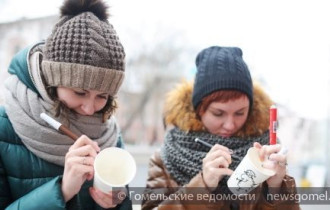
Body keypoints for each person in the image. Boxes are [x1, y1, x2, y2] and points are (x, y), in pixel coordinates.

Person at [0, 0, 132, 209]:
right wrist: (61, 191)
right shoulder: (4, 127)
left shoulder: (109, 131)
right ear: (52, 80)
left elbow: (124, 200)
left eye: (103, 96)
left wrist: (118, 201)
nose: (90, 108)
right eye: (80, 92)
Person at [141, 46, 300, 209]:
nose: (230, 125)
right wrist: (202, 187)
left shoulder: (266, 153)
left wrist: (276, 190)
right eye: (218, 113)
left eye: (240, 113)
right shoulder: (167, 156)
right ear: (198, 110)